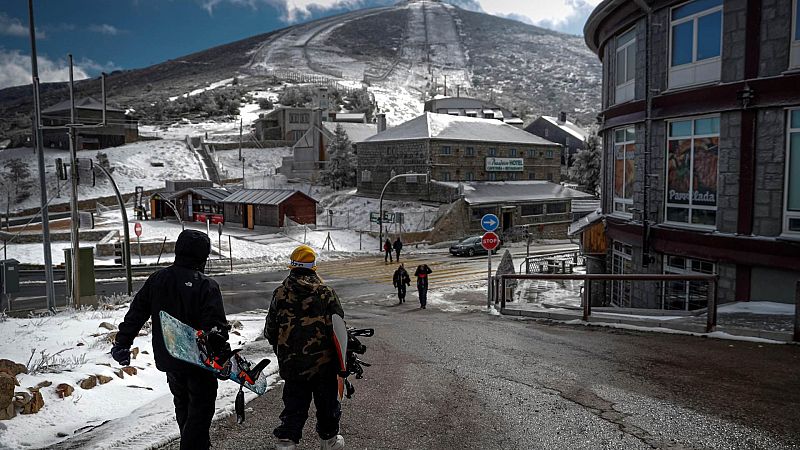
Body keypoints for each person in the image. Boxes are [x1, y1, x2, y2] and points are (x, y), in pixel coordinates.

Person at [112, 230, 228, 450]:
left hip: (171, 357)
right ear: (204, 255)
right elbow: (216, 328)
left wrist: (122, 343)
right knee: (200, 412)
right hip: (199, 362)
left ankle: (197, 445)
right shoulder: (207, 285)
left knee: (183, 405)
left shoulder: (158, 279)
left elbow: (136, 313)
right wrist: (222, 356)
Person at [266, 245, 346, 450]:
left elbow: (270, 330)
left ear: (292, 267)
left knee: (294, 406)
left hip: (292, 365)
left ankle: (286, 442)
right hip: (324, 366)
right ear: (313, 268)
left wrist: (282, 351)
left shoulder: (280, 293)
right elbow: (338, 329)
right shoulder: (326, 293)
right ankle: (328, 441)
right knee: (327, 406)